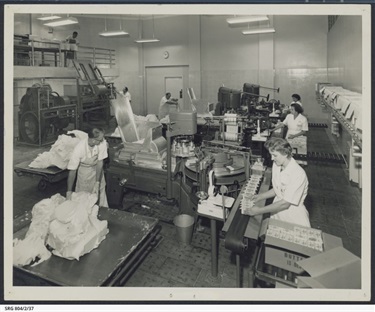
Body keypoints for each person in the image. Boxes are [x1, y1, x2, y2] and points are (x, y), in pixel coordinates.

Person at [244, 137, 310, 227]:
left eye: (275, 155)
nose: (272, 158)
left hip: (293, 215)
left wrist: (258, 210)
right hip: (277, 211)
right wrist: (260, 197)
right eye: (271, 155)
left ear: (285, 154)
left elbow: (285, 204)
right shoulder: (277, 165)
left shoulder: (298, 174)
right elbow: (278, 189)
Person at [66, 126, 108, 207]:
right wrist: (69, 192)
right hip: (84, 173)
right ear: (93, 140)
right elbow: (72, 171)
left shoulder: (102, 143)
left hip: (97, 170)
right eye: (100, 139)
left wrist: (97, 182)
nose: (102, 140)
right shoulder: (79, 148)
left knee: (100, 196)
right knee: (83, 199)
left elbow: (100, 162)